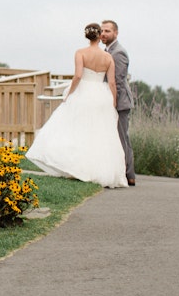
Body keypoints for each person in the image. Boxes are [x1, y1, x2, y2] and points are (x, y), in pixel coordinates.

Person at [26, 23, 128, 188]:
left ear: (87, 36)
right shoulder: (108, 57)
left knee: (78, 130)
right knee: (99, 133)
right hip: (101, 96)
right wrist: (113, 101)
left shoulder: (80, 53)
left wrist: (69, 93)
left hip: (84, 93)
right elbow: (112, 83)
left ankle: (78, 168)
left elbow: (78, 76)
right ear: (99, 36)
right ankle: (98, 170)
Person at [100, 19, 135, 186]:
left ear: (116, 33)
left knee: (122, 139)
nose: (103, 34)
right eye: (102, 31)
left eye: (107, 31)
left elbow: (118, 81)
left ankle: (129, 175)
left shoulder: (118, 52)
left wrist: (113, 102)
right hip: (113, 100)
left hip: (120, 102)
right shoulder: (107, 51)